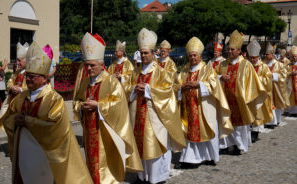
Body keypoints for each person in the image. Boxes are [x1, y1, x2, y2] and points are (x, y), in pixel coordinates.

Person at [0, 41, 93, 184]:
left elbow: (55, 129)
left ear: (44, 78)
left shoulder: (54, 100)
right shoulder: (21, 98)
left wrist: (28, 121)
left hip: (44, 157)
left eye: (33, 76)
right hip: (22, 154)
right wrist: (15, 120)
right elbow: (8, 120)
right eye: (27, 75)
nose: (28, 79)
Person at [73, 32, 143, 184]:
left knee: (104, 165)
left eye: (92, 65)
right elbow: (76, 101)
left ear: (101, 64)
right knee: (91, 161)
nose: (89, 68)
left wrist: (98, 106)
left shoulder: (111, 82)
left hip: (105, 133)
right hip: (89, 131)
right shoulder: (85, 83)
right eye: (87, 65)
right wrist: (81, 107)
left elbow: (119, 104)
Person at [124, 28, 186, 184]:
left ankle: (156, 178)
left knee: (154, 146)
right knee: (140, 146)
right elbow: (125, 88)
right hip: (137, 114)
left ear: (153, 53)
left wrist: (146, 89)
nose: (143, 56)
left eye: (146, 53)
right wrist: (132, 89)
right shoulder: (135, 71)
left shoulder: (161, 71)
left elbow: (167, 91)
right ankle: (142, 175)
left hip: (155, 116)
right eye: (141, 53)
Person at [174, 36, 233, 169]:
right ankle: (189, 159)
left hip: (204, 107)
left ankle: (210, 157)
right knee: (189, 132)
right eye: (190, 55)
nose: (192, 58)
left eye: (195, 55)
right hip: (188, 108)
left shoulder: (207, 69)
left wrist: (199, 85)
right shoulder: (184, 70)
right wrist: (181, 88)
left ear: (200, 56)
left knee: (207, 130)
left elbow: (214, 84)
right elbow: (176, 85)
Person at [217, 30, 266, 155]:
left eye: (233, 49)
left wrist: (246, 97)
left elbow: (253, 83)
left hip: (240, 101)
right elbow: (213, 77)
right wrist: (220, 78)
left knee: (239, 125)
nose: (230, 51)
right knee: (225, 121)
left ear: (239, 51)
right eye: (229, 49)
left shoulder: (246, 65)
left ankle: (240, 146)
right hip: (225, 99)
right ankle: (226, 145)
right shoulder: (222, 64)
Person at [246, 40, 273, 142]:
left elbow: (268, 79)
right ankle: (250, 131)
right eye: (251, 57)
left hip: (260, 94)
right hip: (249, 93)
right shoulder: (248, 66)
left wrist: (257, 79)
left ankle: (255, 133)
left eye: (254, 58)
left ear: (258, 57)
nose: (252, 59)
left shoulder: (264, 66)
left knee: (258, 113)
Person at [264, 42, 288, 127]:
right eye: (265, 54)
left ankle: (276, 120)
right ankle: (269, 121)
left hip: (276, 88)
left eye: (267, 54)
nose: (265, 56)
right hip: (267, 87)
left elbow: (283, 76)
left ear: (272, 54)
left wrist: (273, 76)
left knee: (276, 104)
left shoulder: (279, 64)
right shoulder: (264, 64)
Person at [286, 46, 297, 116]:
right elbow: (285, 73)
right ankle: (292, 112)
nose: (295, 58)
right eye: (293, 56)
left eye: (296, 56)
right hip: (290, 83)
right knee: (291, 97)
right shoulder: (289, 65)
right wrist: (290, 73)